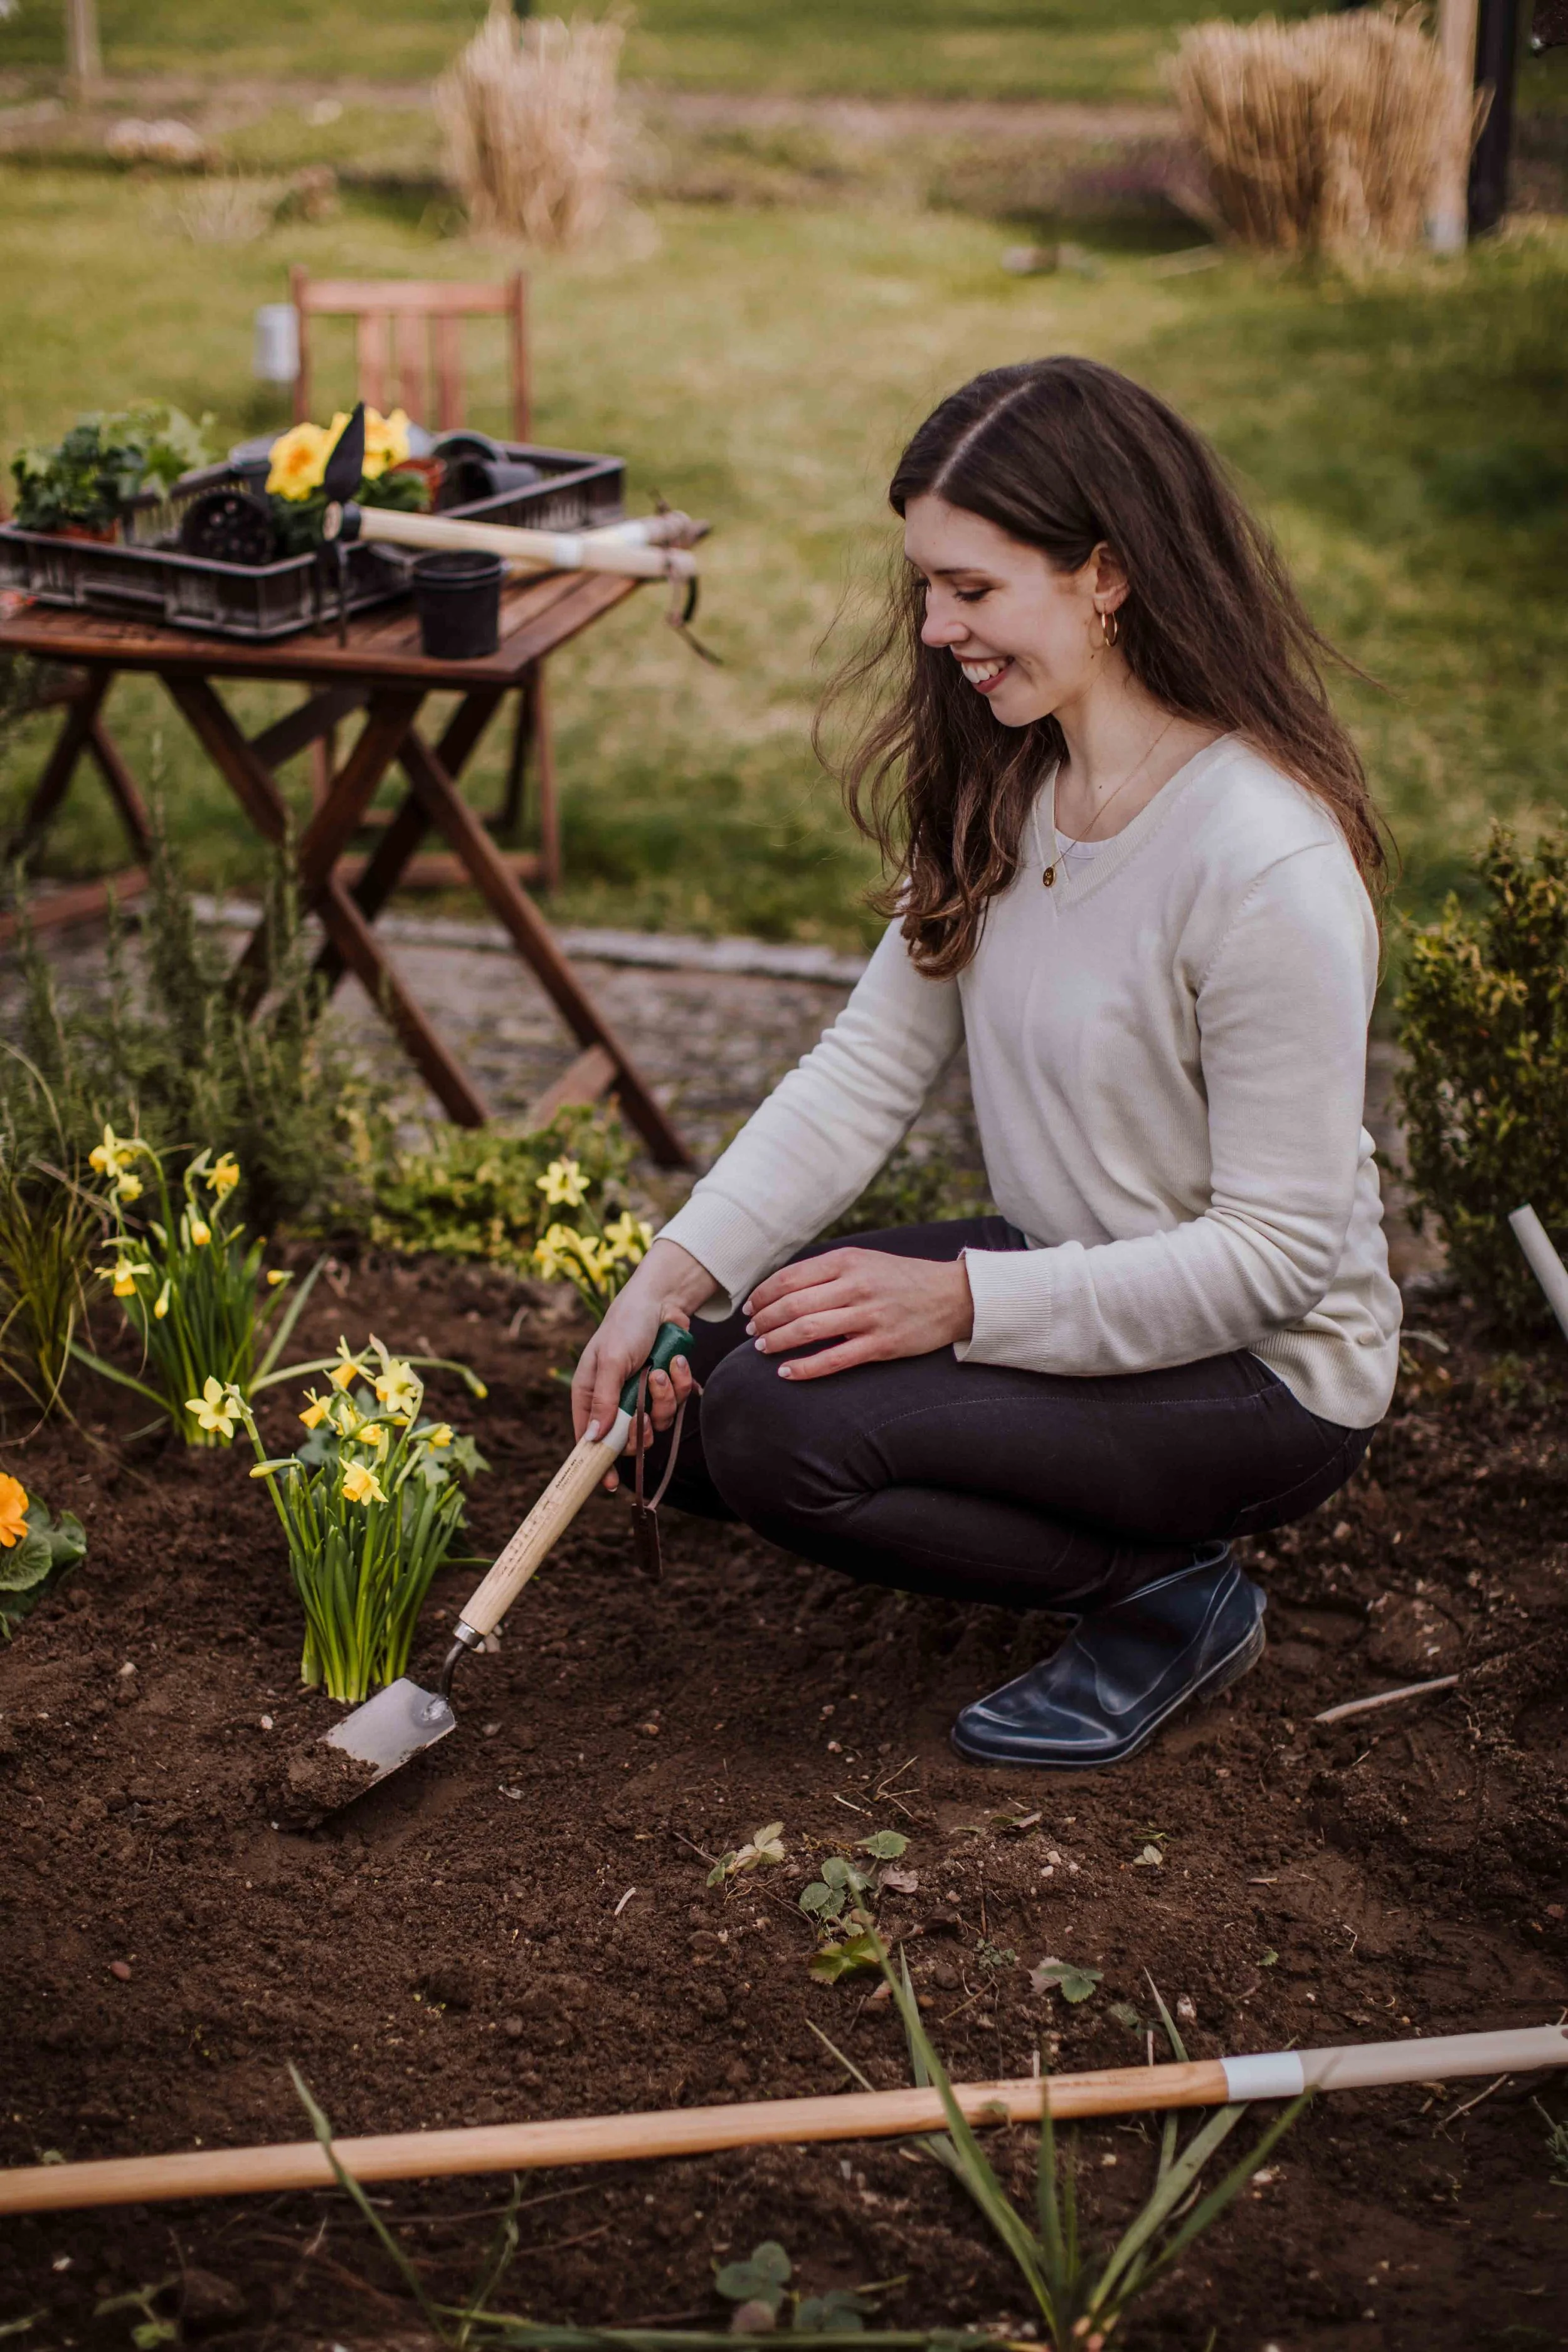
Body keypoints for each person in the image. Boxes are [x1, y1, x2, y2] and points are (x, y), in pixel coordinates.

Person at [571, 355, 1402, 1771]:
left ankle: (1159, 1597)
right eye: (923, 587)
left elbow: (1272, 1258)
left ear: (1105, 575)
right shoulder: (1009, 786)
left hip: (1260, 1370)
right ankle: (1100, 1520)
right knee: (684, 1404)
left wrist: (960, 1302)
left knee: (782, 1437)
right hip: (1069, 1270)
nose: (935, 627)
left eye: (971, 588)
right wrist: (667, 1276)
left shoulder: (1260, 858)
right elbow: (861, 1071)